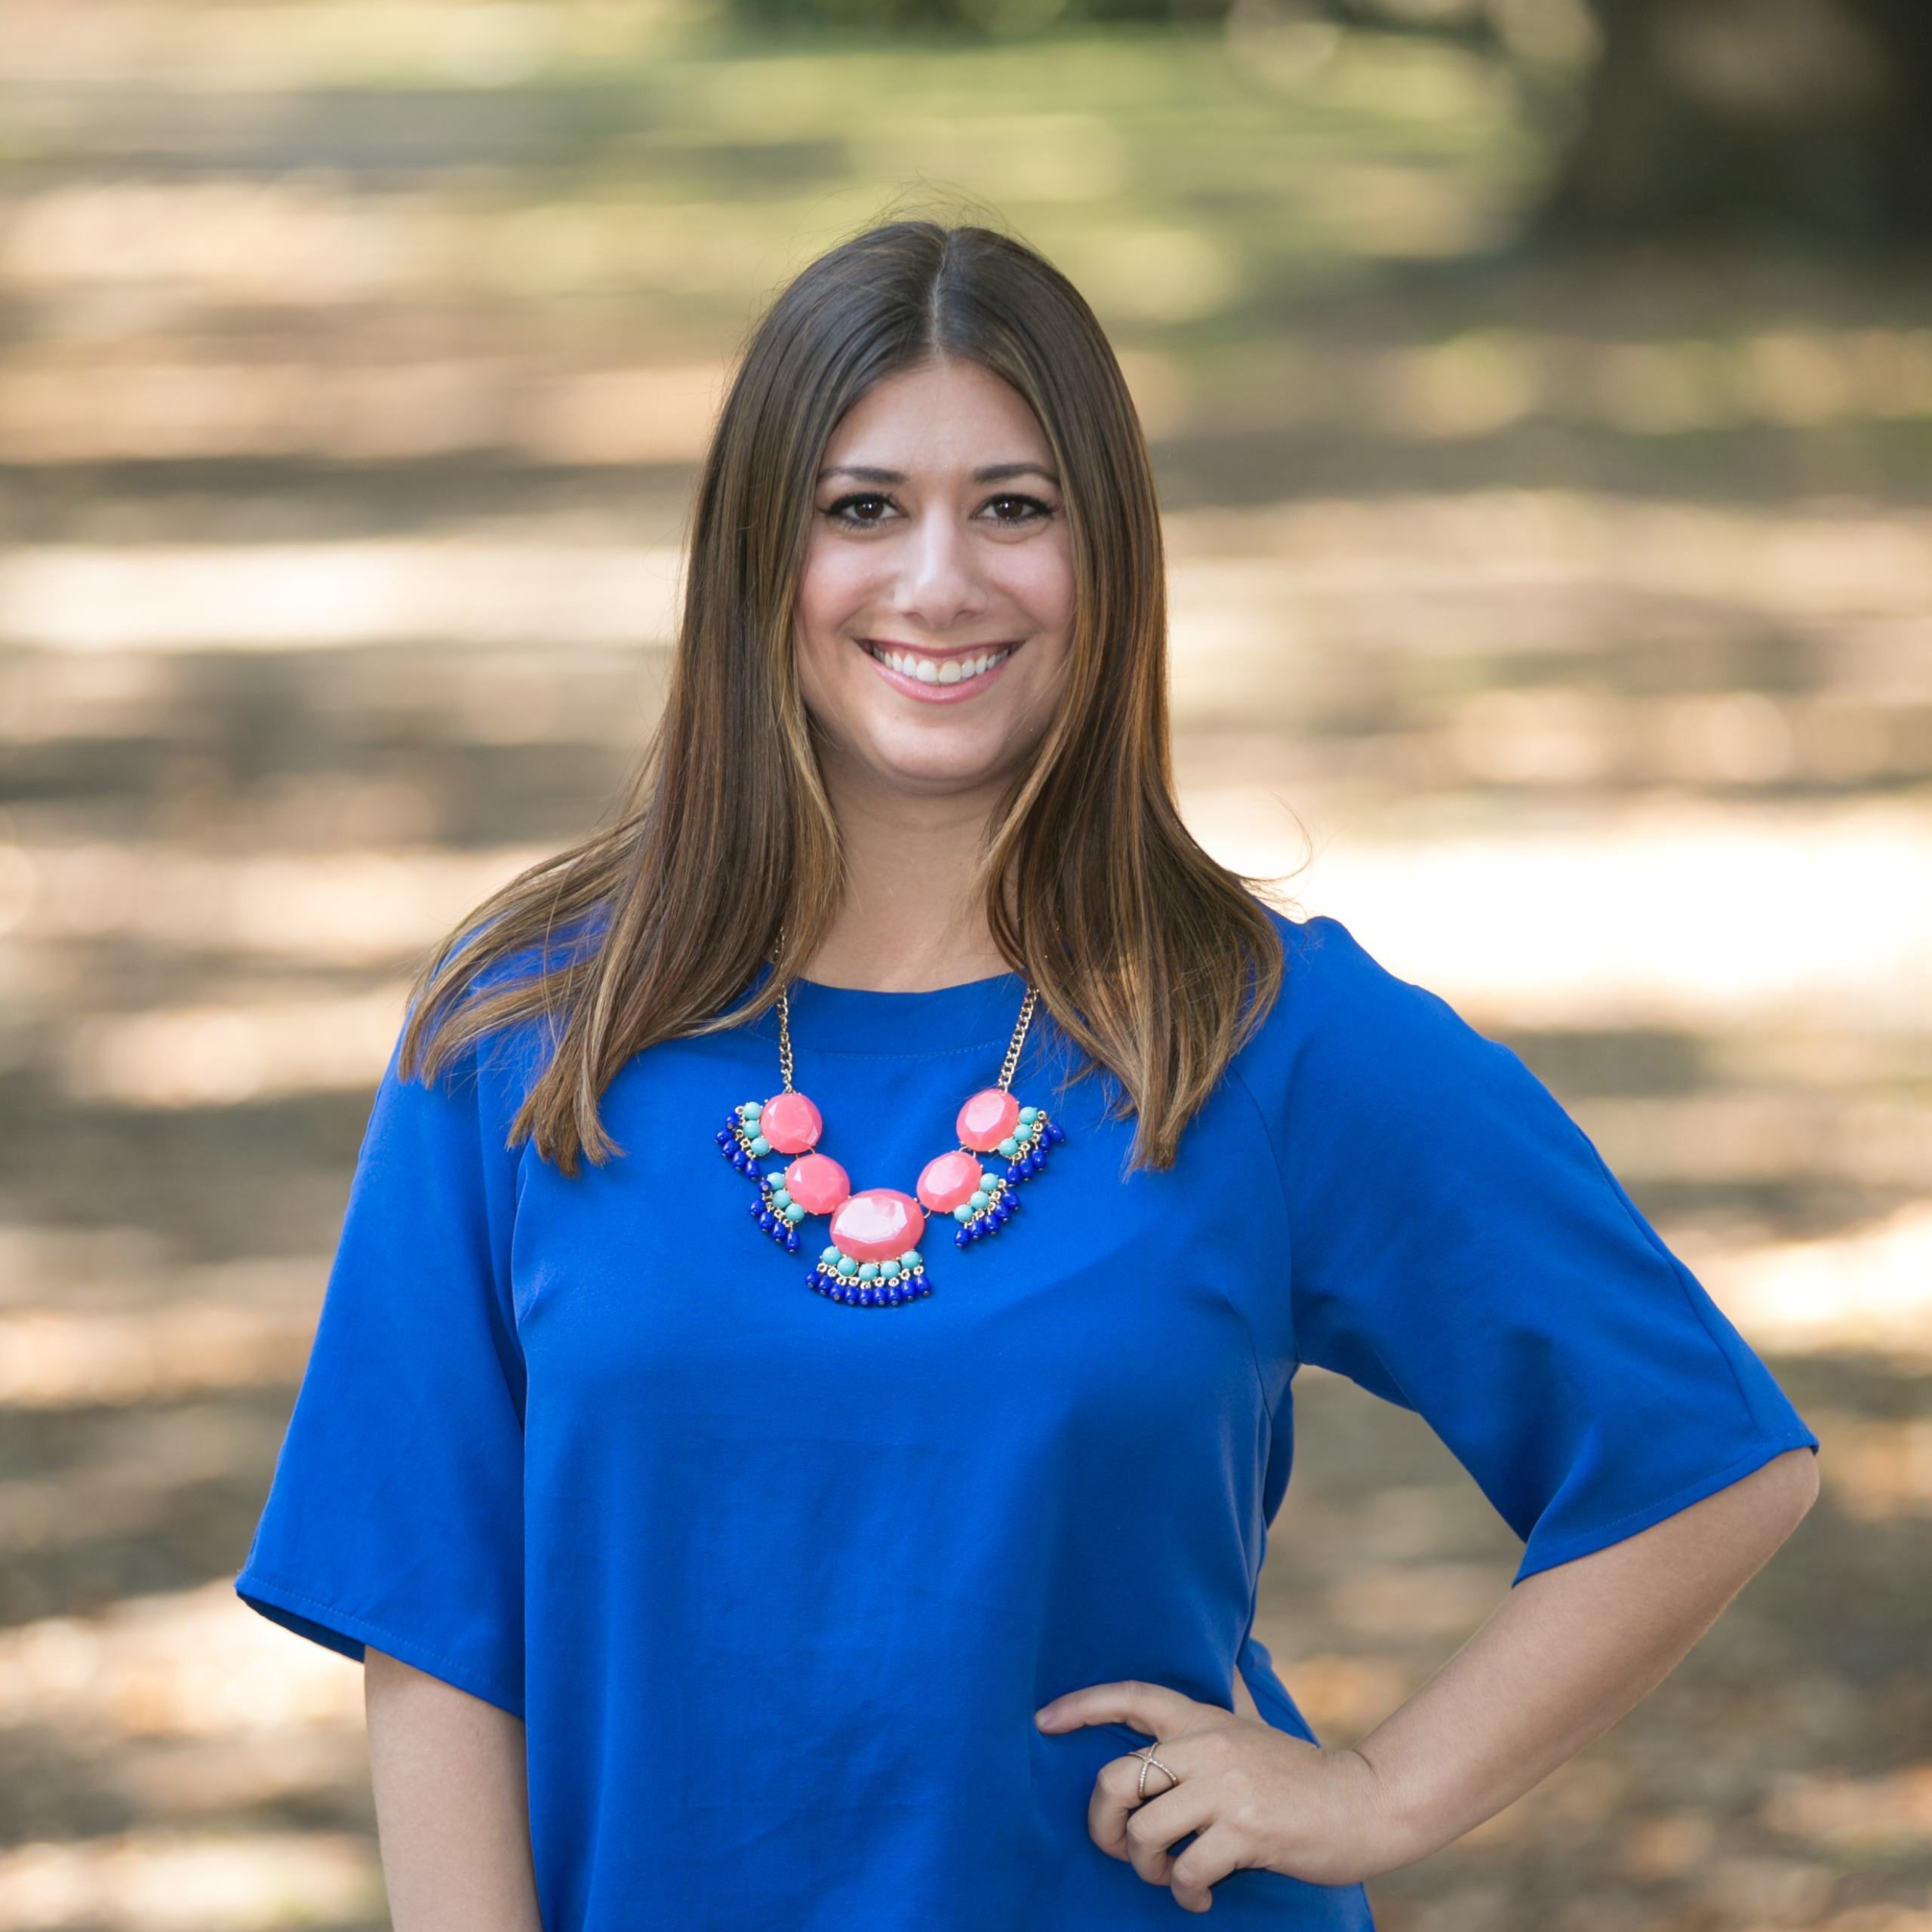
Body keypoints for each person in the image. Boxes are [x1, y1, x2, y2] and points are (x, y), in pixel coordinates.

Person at [233, 216, 1821, 1930]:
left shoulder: (1261, 1034)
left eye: (1014, 507)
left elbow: (1704, 1458)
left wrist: (1383, 1787)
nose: (940, 583)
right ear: (758, 553)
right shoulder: (532, 1032)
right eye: (862, 509)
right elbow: (435, 1622)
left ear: (1107, 554)